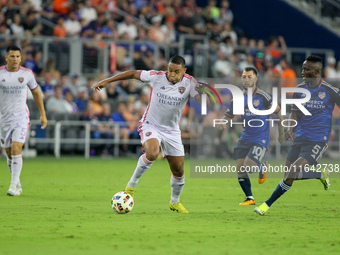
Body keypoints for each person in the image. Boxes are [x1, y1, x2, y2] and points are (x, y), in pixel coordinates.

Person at [92, 55, 206, 213]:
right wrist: (107, 81)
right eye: (170, 70)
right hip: (150, 125)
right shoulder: (157, 77)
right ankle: (131, 187)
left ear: (184, 71)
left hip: (172, 131)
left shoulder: (189, 83)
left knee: (179, 170)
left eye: (176, 72)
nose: (172, 75)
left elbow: (202, 98)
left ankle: (175, 202)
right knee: (152, 152)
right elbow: (132, 74)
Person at [254, 56, 337, 216]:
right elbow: (294, 113)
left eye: (307, 69)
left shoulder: (330, 91)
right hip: (300, 137)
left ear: (317, 71)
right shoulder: (299, 90)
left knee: (292, 172)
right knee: (289, 175)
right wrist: (290, 129)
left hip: (318, 141)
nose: (303, 71)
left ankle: (266, 205)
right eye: (303, 68)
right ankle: (320, 174)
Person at [219, 67, 285, 205]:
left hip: (260, 137)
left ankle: (262, 167)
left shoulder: (264, 96)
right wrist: (223, 122)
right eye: (244, 77)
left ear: (256, 79)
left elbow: (278, 112)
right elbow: (229, 114)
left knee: (248, 166)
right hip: (245, 136)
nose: (246, 80)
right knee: (239, 167)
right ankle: (250, 198)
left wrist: (281, 131)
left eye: (249, 77)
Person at [0, 45, 47, 196]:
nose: (15, 59)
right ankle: (17, 182)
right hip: (3, 119)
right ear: (6, 58)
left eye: (18, 57)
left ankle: (13, 186)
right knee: (8, 152)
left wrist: (43, 114)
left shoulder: (27, 74)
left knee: (16, 148)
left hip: (21, 118)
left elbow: (37, 93)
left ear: (21, 58)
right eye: (12, 56)